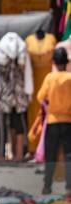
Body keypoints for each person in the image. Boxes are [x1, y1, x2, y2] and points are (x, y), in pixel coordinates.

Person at [37, 47, 71, 195]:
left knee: (50, 156)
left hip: (52, 121)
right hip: (68, 122)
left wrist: (49, 104)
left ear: (55, 63)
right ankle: (69, 187)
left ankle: (47, 186)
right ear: (66, 63)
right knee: (69, 155)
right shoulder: (70, 78)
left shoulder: (50, 78)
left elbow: (40, 97)